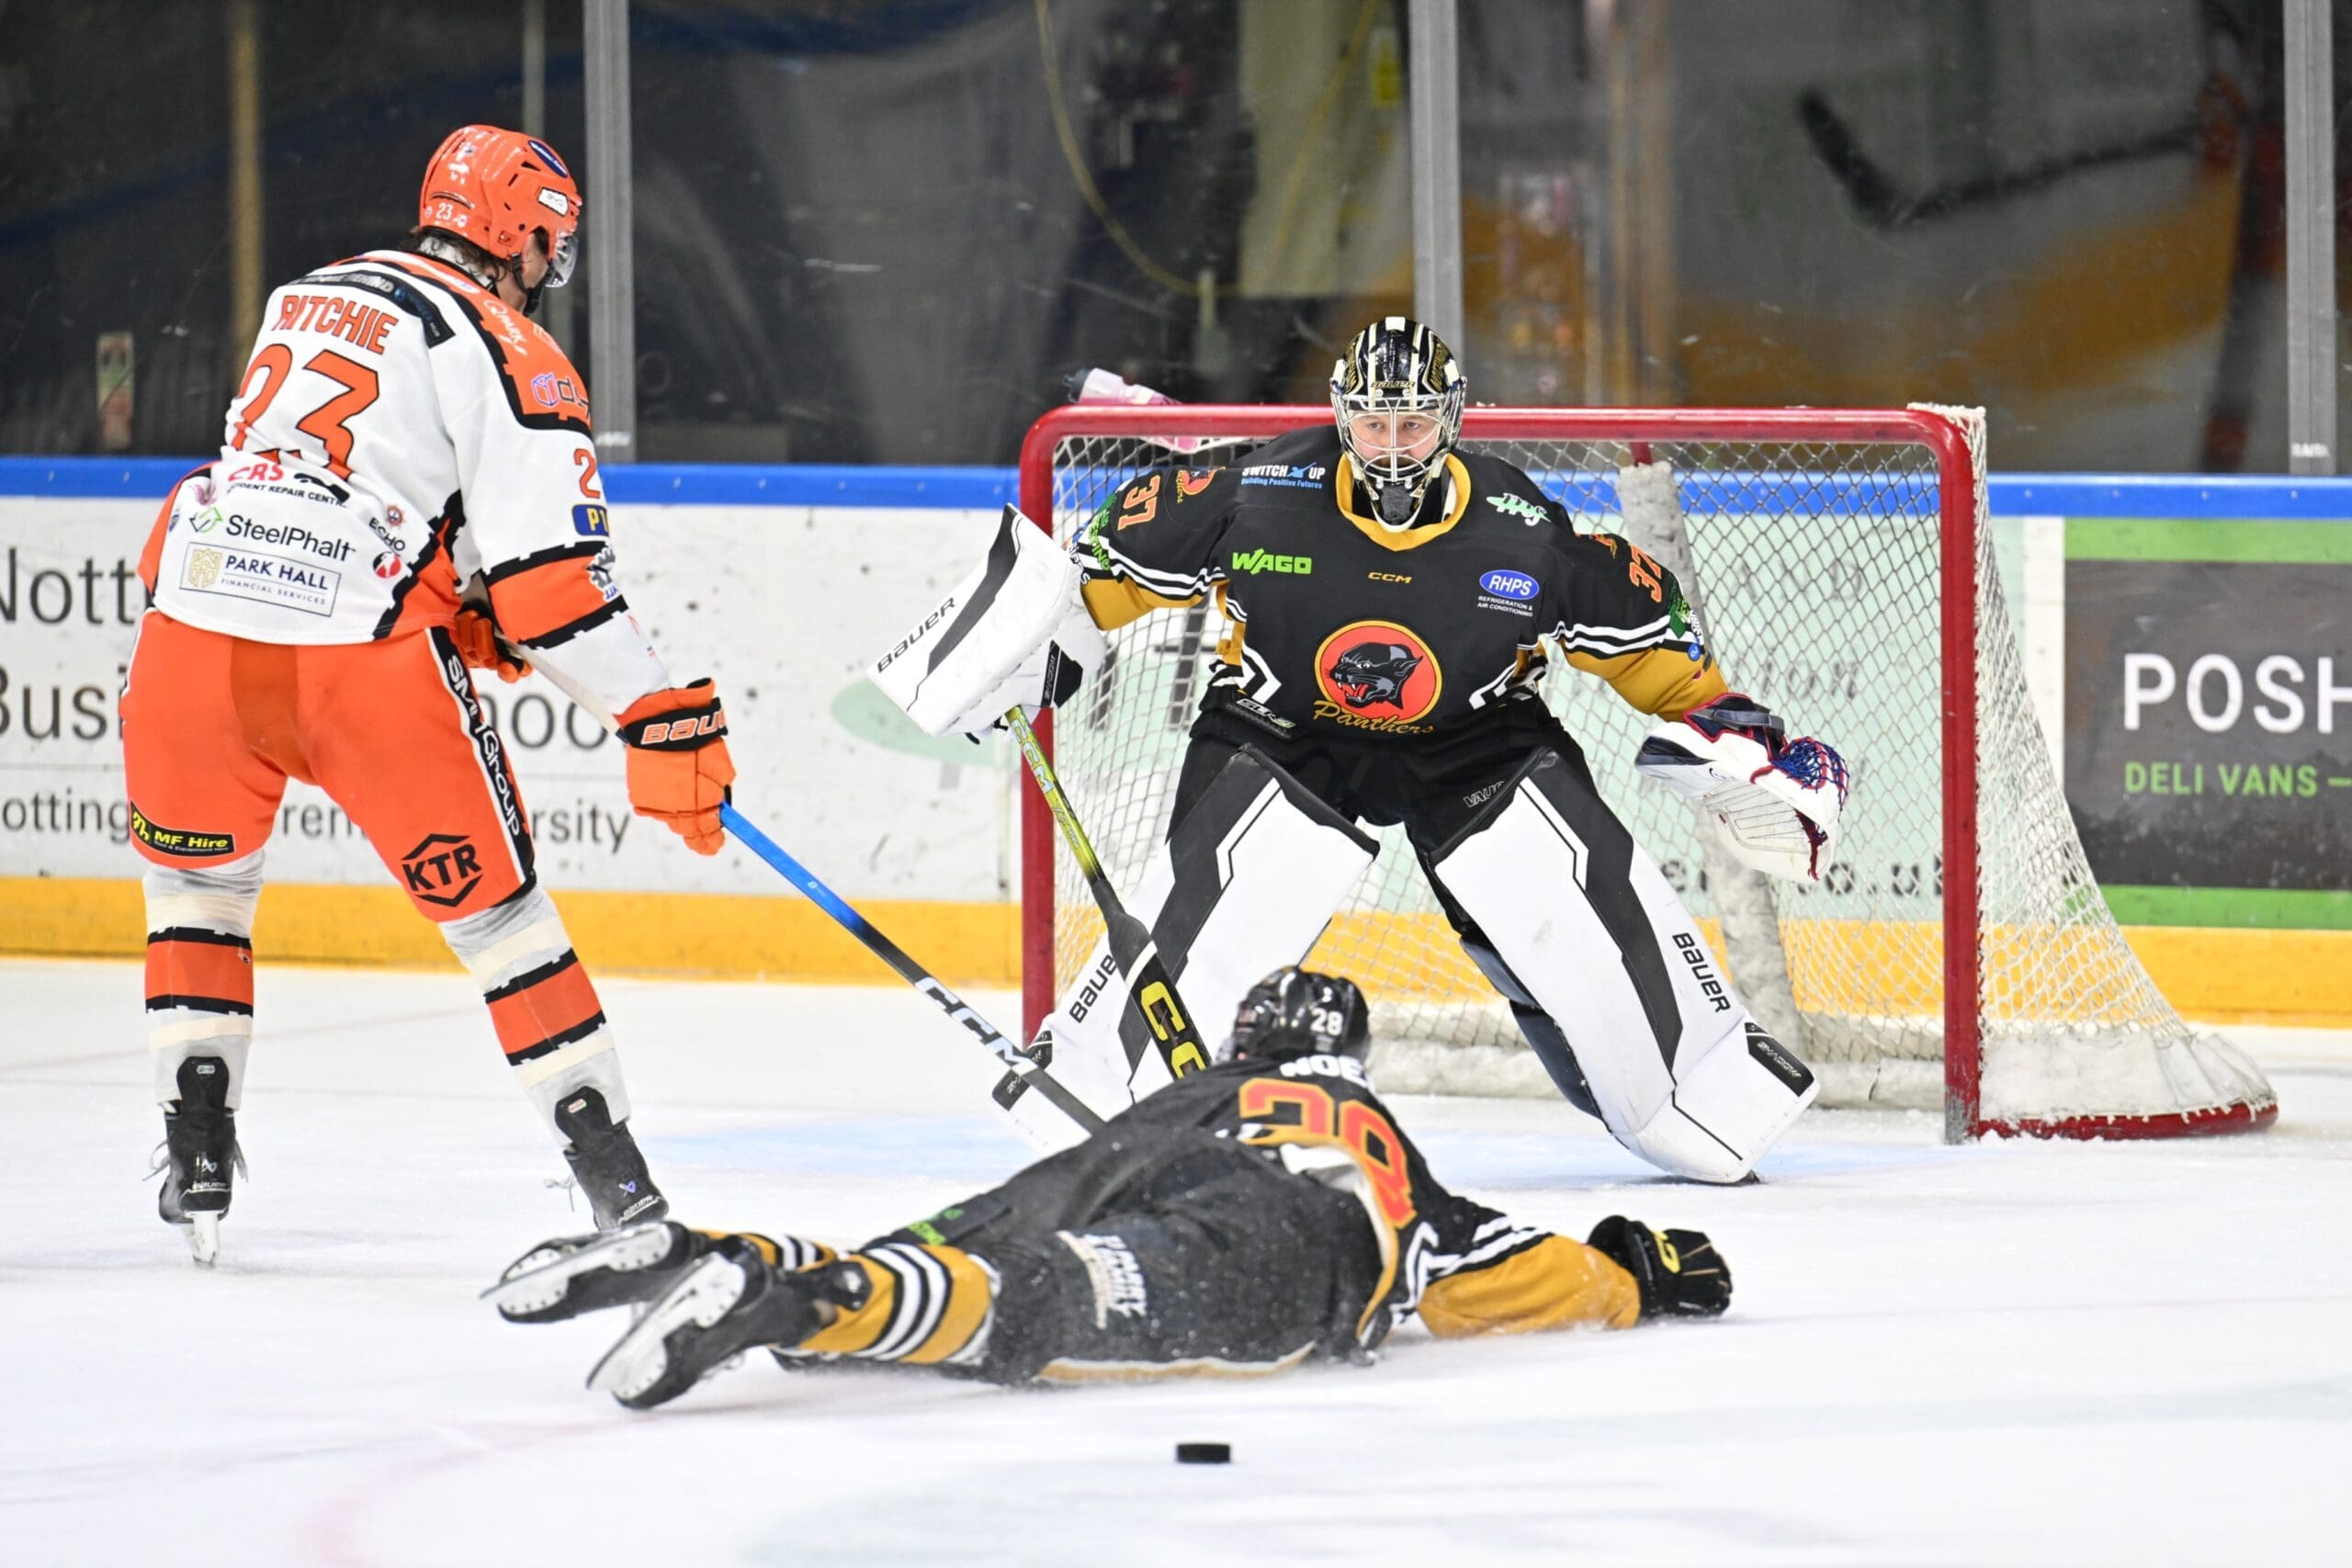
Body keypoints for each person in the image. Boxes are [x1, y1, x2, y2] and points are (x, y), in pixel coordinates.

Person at [869, 317, 1849, 1184]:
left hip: (1475, 741)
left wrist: (1754, 744)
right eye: (1373, 423)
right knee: (1225, 901)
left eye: (1411, 423)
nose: (1390, 447)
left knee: (1560, 901)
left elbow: (1664, 667)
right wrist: (1012, 657)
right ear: (1342, 417)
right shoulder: (1253, 491)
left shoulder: (1521, 532)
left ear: (1450, 419)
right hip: (1282, 730)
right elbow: (1087, 585)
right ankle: (1109, 1084)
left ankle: (1698, 1080)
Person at [126, 126, 737, 1263]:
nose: (553, 269)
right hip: (356, 666)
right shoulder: (510, 349)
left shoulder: (302, 295)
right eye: (551, 242)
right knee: (503, 924)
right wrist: (659, 712)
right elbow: (551, 588)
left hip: (191, 640)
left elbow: (323, 480)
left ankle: (196, 1148)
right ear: (521, 232)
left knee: (196, 896)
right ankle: (617, 1181)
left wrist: (459, 594)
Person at [485, 970, 1730, 1408]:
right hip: (1285, 1232)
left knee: (951, 1264)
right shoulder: (1359, 1124)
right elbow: (1484, 1279)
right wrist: (1633, 1271)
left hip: (1092, 1169)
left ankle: (725, 1252)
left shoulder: (1179, 1092)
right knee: (1033, 1308)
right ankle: (792, 1296)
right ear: (1345, 1058)